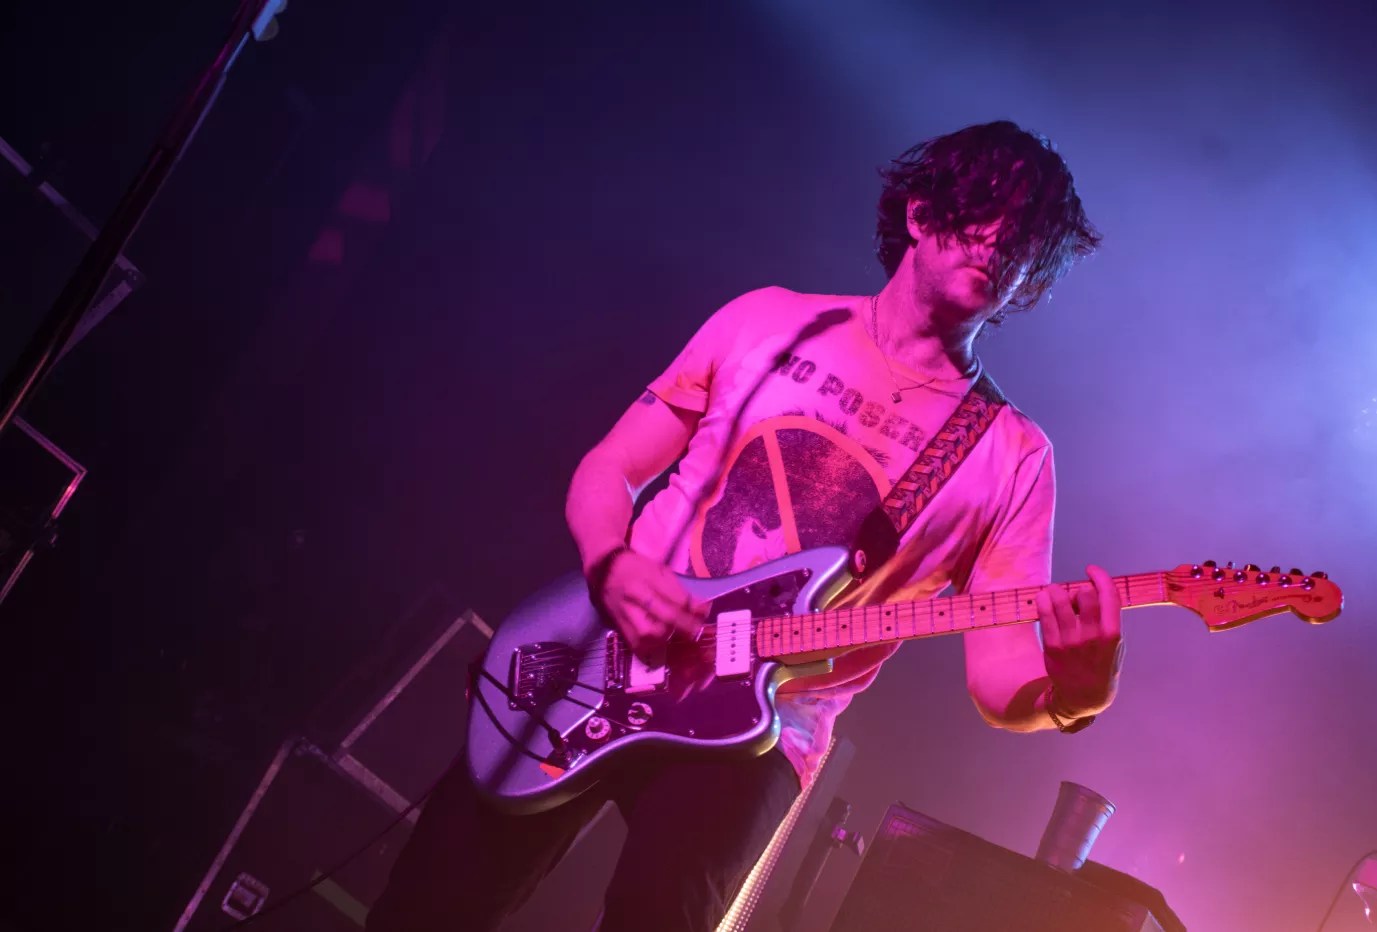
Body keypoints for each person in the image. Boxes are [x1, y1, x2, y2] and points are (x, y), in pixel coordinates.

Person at [367, 119, 1124, 932]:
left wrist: (1075, 696)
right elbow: (610, 467)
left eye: (1027, 239)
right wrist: (611, 564)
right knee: (427, 907)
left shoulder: (1011, 455)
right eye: (988, 213)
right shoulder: (769, 321)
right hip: (602, 655)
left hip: (763, 727)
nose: (1002, 244)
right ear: (921, 213)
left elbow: (999, 680)